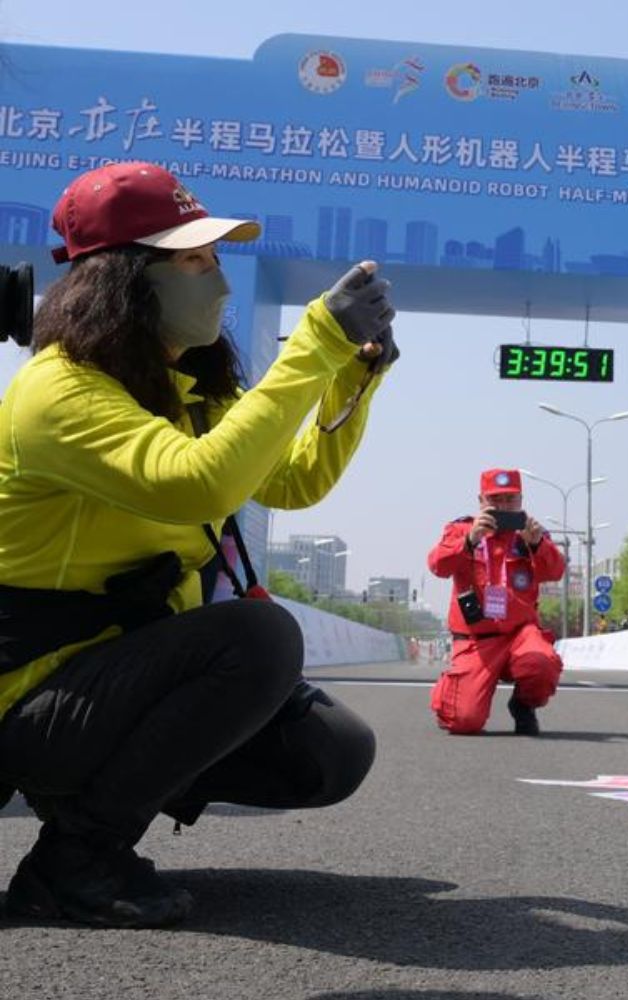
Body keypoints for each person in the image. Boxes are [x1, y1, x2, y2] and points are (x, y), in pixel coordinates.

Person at [0, 161, 393, 928]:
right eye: (193, 261)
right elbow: (200, 486)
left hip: (112, 679)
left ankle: (116, 787)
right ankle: (77, 859)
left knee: (330, 751)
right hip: (26, 689)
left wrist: (352, 379)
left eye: (215, 260)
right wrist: (313, 343)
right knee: (257, 637)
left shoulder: (187, 387)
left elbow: (293, 480)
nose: (217, 282)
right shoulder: (60, 390)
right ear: (123, 279)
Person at [428, 468, 566, 736]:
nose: (503, 506)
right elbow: (437, 566)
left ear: (521, 500)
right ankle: (460, 689)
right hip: (476, 640)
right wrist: (470, 540)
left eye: (510, 500)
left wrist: (537, 544)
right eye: (495, 500)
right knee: (464, 721)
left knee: (541, 663)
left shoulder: (531, 534)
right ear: (481, 501)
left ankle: (523, 705)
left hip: (520, 634)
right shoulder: (461, 529)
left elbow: (555, 571)